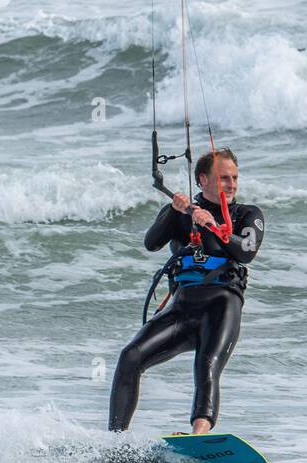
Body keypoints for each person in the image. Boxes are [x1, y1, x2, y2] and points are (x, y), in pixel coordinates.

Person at [108, 148, 265, 434]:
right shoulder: (181, 214)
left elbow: (246, 251)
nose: (231, 184)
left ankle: (198, 436)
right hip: (181, 307)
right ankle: (115, 440)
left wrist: (214, 226)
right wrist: (174, 210)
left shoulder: (247, 214)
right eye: (224, 178)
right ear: (202, 180)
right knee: (130, 357)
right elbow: (151, 243)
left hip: (222, 305)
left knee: (207, 365)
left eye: (235, 178)